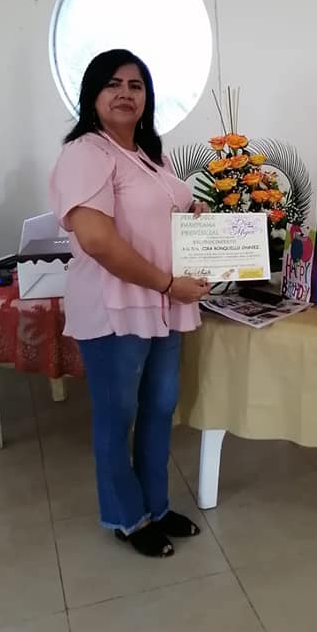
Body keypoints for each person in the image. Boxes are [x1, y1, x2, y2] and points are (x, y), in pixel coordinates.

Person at [49, 49, 210, 558]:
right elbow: (97, 239)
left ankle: (157, 506)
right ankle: (127, 515)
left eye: (135, 85)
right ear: (92, 95)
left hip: (163, 303)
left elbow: (157, 217)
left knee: (160, 408)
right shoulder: (86, 153)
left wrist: (193, 213)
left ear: (147, 97)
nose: (124, 93)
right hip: (116, 305)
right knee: (117, 415)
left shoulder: (151, 155)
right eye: (112, 84)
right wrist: (167, 284)